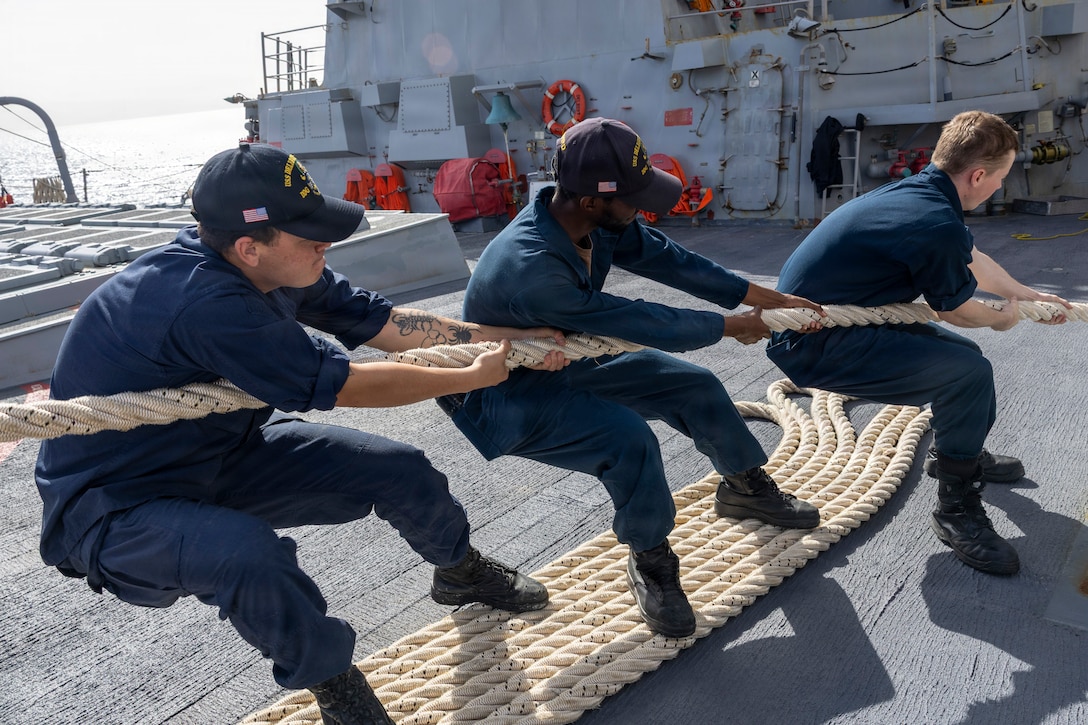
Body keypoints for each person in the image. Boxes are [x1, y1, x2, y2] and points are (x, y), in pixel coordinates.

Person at [34, 143, 569, 725]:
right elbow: (350, 386)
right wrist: (469, 376)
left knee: (400, 468)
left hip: (223, 454)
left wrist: (513, 341)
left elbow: (389, 326)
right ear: (249, 246)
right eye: (310, 236)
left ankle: (459, 570)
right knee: (247, 556)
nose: (326, 245)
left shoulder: (276, 268)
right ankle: (337, 690)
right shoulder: (205, 300)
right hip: (117, 503)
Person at [439, 117, 825, 639]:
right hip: (509, 392)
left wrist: (764, 298)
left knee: (695, 385)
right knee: (629, 441)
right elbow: (635, 320)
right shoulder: (530, 267)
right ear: (593, 200)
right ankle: (652, 562)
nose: (643, 207)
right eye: (635, 197)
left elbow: (673, 261)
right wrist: (731, 327)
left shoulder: (597, 223)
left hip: (571, 359)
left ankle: (746, 487)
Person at [767, 110, 1071, 577]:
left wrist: (1024, 295)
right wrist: (1002, 320)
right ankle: (955, 509)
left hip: (842, 326)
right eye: (1002, 177)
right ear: (977, 175)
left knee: (966, 361)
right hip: (815, 342)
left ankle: (957, 451)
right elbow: (955, 309)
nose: (1001, 187)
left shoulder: (921, 193)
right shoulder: (933, 220)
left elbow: (972, 258)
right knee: (968, 374)